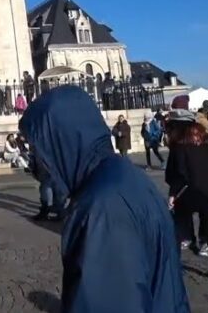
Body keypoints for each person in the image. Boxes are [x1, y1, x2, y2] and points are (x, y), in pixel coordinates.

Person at [19, 86, 189, 312]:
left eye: (39, 147)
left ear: (62, 140)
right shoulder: (123, 175)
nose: (37, 157)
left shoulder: (100, 207)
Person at [165, 110, 208, 282]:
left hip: (189, 192)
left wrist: (173, 194)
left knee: (178, 228)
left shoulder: (179, 144)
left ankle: (173, 266)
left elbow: (176, 173)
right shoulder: (207, 140)